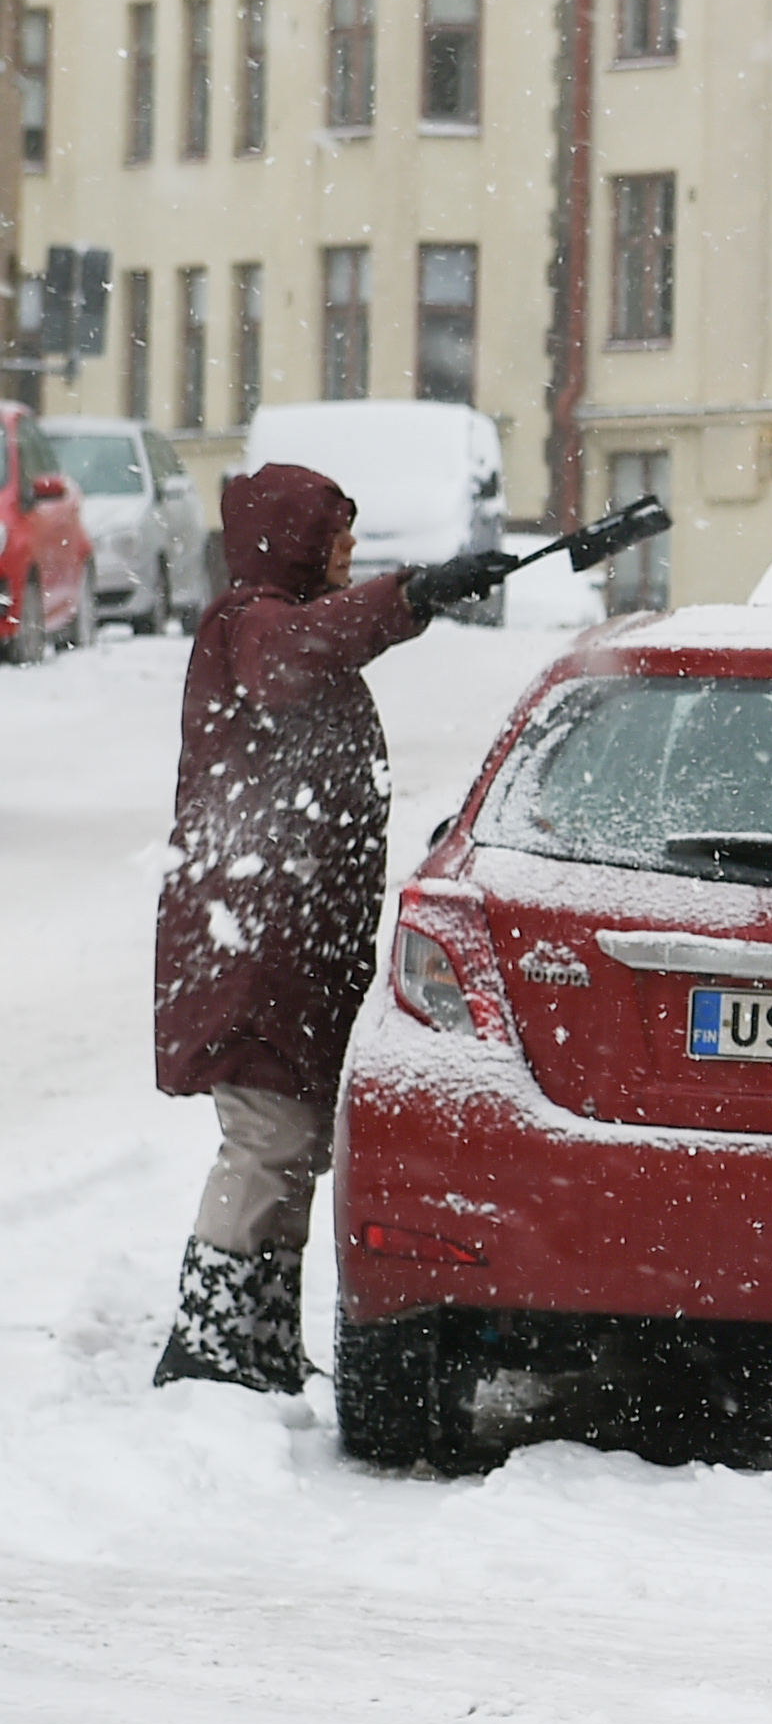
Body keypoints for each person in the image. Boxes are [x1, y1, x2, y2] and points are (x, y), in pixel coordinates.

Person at [150, 465, 507, 1392]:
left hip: (294, 947)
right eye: (332, 532)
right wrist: (413, 595)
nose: (347, 548)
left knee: (299, 1142)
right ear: (287, 538)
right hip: (251, 946)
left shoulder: (282, 621)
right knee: (265, 1139)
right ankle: (209, 1342)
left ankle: (258, 1337)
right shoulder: (249, 625)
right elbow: (304, 648)